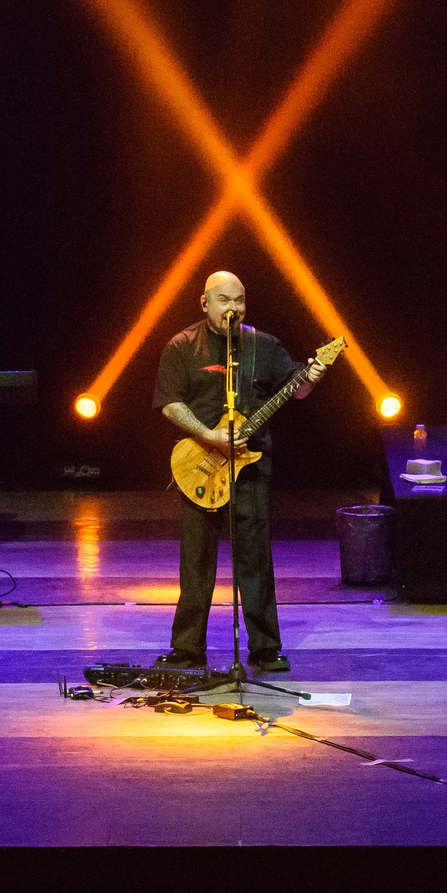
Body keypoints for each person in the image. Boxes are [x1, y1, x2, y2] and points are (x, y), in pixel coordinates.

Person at [151, 272, 327, 672]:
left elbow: (297, 389)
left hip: (251, 465)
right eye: (224, 300)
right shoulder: (181, 346)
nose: (233, 308)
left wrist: (312, 378)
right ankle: (187, 647)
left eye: (240, 300)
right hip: (200, 465)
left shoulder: (262, 346)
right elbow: (170, 403)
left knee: (255, 557)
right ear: (204, 303)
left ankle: (265, 647)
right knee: (196, 559)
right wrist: (209, 435)